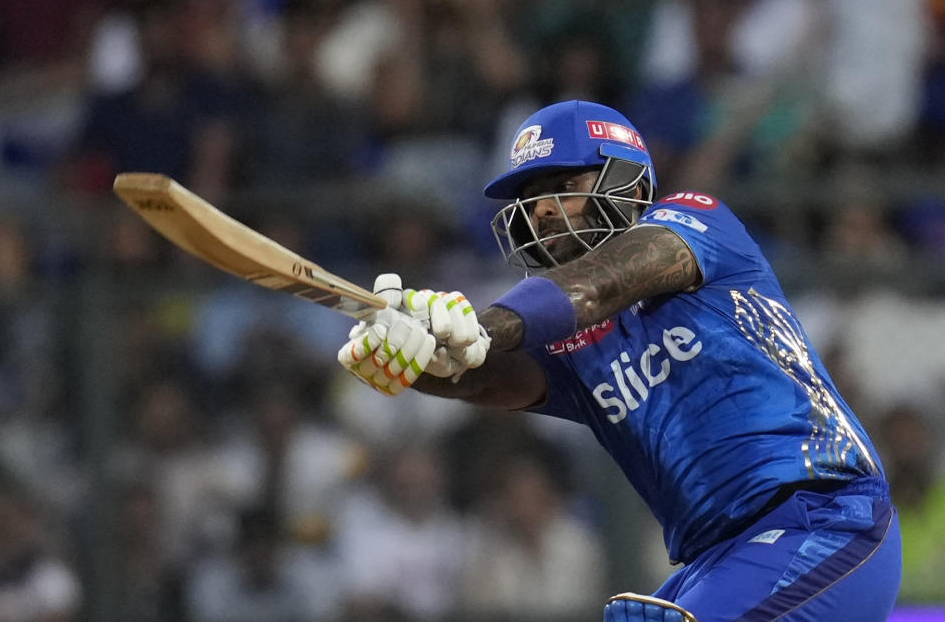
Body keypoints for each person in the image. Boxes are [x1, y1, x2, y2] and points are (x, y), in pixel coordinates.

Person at [337, 100, 902, 620]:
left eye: (563, 186)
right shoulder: (570, 345)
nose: (542, 213)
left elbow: (593, 287)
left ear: (625, 183)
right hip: (713, 562)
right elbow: (476, 377)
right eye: (529, 200)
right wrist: (412, 351)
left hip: (824, 518)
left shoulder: (697, 224)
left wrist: (478, 325)